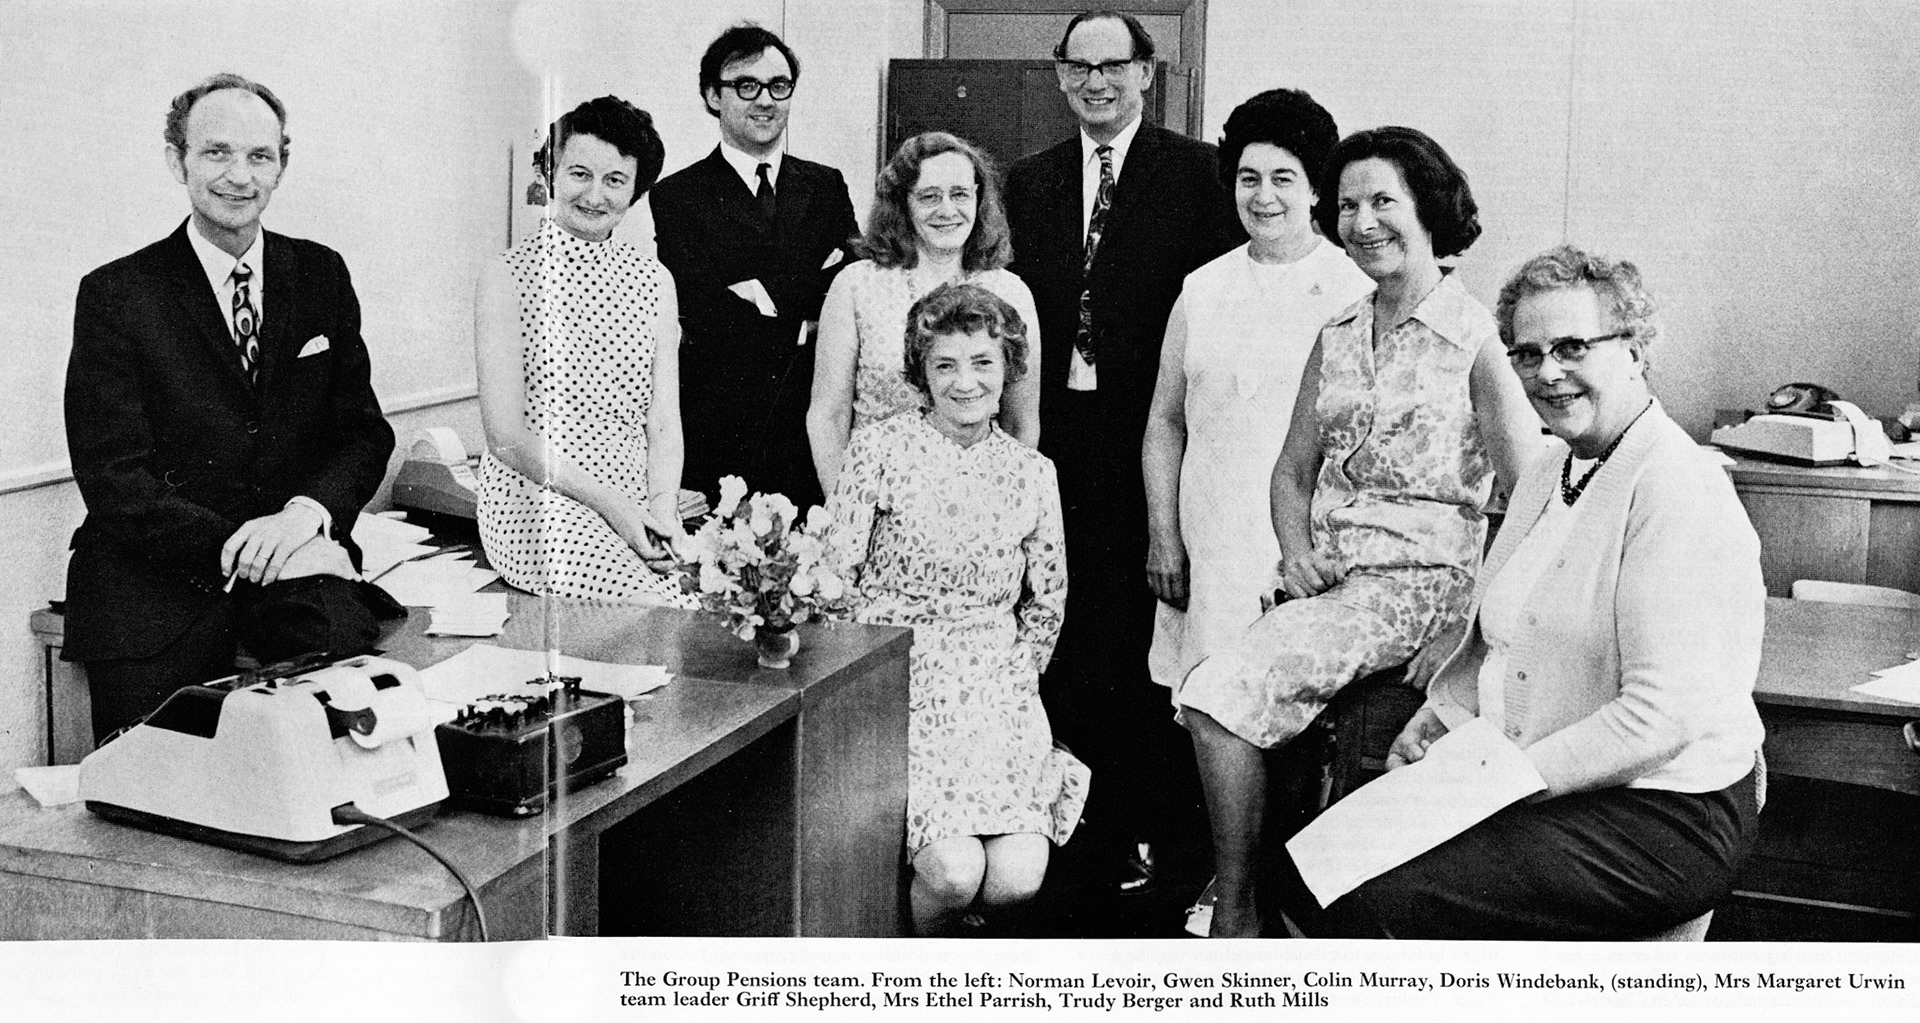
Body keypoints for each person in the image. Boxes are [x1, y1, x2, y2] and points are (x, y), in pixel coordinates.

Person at [1288, 246, 1766, 939]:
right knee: (1303, 873)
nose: (1548, 372)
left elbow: (1659, 718)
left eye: (1573, 347)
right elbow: (1504, 636)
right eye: (1527, 354)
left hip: (1663, 814)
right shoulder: (1549, 471)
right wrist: (1442, 714)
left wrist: (1487, 779)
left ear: (1635, 350)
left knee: (1366, 897)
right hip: (1547, 779)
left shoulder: (1677, 486)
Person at [1176, 126, 1541, 937]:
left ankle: (1235, 913)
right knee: (1218, 692)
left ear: (1430, 210)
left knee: (1213, 696)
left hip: (1421, 591)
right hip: (1335, 584)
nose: (1362, 221)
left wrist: (1465, 630)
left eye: (1383, 201)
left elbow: (1530, 499)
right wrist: (1295, 550)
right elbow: (1291, 473)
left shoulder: (1477, 339)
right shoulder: (1338, 331)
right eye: (1347, 205)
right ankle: (1261, 900)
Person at [64, 73, 394, 743]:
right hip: (155, 583)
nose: (239, 176)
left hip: (300, 572)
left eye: (259, 156)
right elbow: (114, 479)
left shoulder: (321, 274)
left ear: (281, 167)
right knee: (155, 777)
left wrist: (305, 517)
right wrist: (250, 551)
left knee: (349, 740)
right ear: (177, 160)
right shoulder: (117, 294)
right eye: (216, 152)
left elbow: (362, 434)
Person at [1004, 7, 1244, 896]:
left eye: (1114, 66)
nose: (1096, 82)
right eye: (1080, 67)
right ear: (1060, 75)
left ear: (1147, 72)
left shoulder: (1202, 175)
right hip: (1052, 439)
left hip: (1158, 440)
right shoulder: (1025, 182)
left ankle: (1153, 835)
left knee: (1147, 630)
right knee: (1061, 627)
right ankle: (1076, 831)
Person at [826, 283, 1087, 936]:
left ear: (1008, 368)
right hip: (901, 683)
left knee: (1017, 878)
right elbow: (835, 579)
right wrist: (868, 683)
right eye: (944, 364)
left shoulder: (1033, 472)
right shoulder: (877, 449)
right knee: (952, 872)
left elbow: (1047, 601)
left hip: (998, 695)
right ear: (921, 372)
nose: (964, 382)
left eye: (982, 363)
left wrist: (1014, 679)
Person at [1142, 87, 1372, 693]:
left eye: (1282, 178)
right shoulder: (1202, 288)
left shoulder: (1354, 289)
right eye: (1249, 178)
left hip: (1307, 549)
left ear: (1316, 188)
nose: (1263, 196)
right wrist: (1165, 535)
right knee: (1205, 701)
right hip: (1210, 539)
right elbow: (1165, 422)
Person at [474, 96, 692, 606]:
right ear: (551, 174)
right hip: (540, 501)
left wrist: (663, 509)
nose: (595, 195)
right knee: (652, 607)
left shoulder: (655, 280)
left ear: (636, 190)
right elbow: (505, 437)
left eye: (615, 180)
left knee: (701, 610)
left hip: (635, 502)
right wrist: (614, 508)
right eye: (579, 174)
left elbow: (664, 422)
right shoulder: (506, 275)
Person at [652, 23, 859, 513]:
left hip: (810, 430)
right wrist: (806, 315)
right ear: (713, 96)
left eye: (778, 86)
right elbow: (704, 310)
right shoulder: (677, 195)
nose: (765, 100)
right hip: (720, 432)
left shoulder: (826, 185)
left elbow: (850, 283)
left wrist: (760, 295)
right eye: (746, 86)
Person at [807, 132, 1040, 493]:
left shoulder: (1012, 292)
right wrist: (846, 507)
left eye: (960, 194)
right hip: (875, 496)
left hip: (978, 498)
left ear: (979, 198)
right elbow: (828, 417)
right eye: (929, 196)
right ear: (902, 203)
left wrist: (1004, 503)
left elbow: (1020, 423)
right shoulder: (856, 286)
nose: (947, 210)